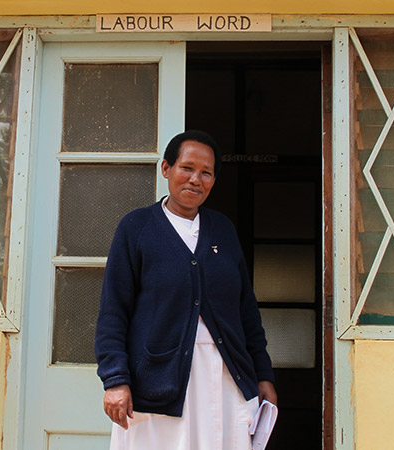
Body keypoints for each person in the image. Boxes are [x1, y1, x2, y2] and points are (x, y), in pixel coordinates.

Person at [95, 130, 277, 450]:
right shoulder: (136, 228)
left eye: (206, 173)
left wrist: (263, 375)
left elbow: (246, 311)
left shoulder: (222, 230)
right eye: (187, 168)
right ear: (166, 169)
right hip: (157, 379)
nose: (196, 179)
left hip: (225, 377)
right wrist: (116, 380)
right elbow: (114, 312)